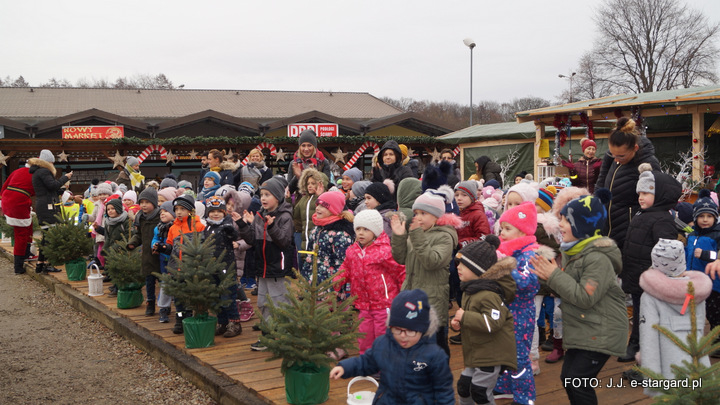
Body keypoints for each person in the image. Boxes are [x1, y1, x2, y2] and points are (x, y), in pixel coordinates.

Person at [530, 194, 629, 405]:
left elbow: (584, 297)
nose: (560, 224)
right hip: (586, 327)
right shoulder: (573, 251)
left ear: (582, 226)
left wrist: (554, 275)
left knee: (577, 380)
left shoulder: (597, 258)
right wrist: (544, 277)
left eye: (566, 220)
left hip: (602, 330)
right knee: (571, 379)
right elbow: (566, 287)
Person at [329, 289, 455, 405]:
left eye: (410, 331)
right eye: (397, 329)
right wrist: (345, 368)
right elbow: (366, 362)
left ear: (423, 330)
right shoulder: (383, 344)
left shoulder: (434, 355)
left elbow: (443, 390)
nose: (403, 336)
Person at [633, 238, 713, 393]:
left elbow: (649, 338)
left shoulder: (650, 296)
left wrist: (652, 381)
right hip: (697, 362)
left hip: (668, 366)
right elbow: (700, 328)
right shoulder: (697, 291)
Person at [619, 163, 681, 362]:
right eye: (639, 193)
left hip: (652, 281)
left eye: (646, 193)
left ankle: (644, 349)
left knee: (646, 316)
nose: (640, 197)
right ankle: (635, 343)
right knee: (638, 314)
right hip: (637, 277)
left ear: (661, 194)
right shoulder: (641, 214)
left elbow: (667, 254)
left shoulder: (662, 220)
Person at [390, 189, 460, 356]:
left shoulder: (444, 236)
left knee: (435, 345)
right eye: (416, 213)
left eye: (423, 213)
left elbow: (432, 261)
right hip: (411, 297)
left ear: (436, 216)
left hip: (432, 301)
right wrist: (399, 236)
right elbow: (401, 258)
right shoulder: (416, 234)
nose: (418, 217)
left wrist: (415, 235)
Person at [452, 236, 518, 405]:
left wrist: (465, 317)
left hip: (491, 354)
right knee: (464, 387)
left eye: (463, 265)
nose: (458, 268)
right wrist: (460, 323)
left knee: (480, 391)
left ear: (478, 269)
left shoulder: (489, 295)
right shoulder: (470, 290)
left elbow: (493, 322)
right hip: (477, 352)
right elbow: (473, 319)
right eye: (458, 263)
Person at [235, 177, 294, 351]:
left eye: (268, 194)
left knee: (280, 303)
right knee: (263, 302)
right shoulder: (260, 214)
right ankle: (268, 335)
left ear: (277, 196)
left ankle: (286, 336)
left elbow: (283, 241)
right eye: (261, 194)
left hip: (278, 269)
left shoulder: (285, 216)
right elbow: (253, 239)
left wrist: (272, 226)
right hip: (263, 268)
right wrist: (242, 224)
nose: (263, 198)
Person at [335, 209, 405, 354]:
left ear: (376, 231)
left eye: (366, 229)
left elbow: (399, 271)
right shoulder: (353, 251)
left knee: (382, 334)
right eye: (358, 229)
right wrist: (337, 280)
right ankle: (367, 363)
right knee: (364, 334)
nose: (361, 233)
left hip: (383, 302)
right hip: (363, 303)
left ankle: (383, 365)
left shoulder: (385, 251)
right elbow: (346, 268)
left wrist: (405, 293)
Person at [493, 202, 541, 405]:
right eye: (501, 228)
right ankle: (505, 387)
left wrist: (505, 265)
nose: (502, 233)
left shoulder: (531, 254)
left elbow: (528, 284)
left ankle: (524, 397)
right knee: (504, 350)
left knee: (519, 357)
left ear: (522, 231)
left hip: (521, 314)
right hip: (507, 310)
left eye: (507, 229)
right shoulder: (510, 251)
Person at [595, 117, 661, 251]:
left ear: (635, 148)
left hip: (630, 228)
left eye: (621, 156)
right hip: (606, 223)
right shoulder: (612, 157)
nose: (617, 159)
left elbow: (656, 197)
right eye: (613, 155)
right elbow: (601, 180)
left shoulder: (648, 163)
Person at [450, 180, 491, 345]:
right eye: (457, 195)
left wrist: (462, 243)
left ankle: (473, 330)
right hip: (460, 261)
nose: (459, 198)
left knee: (471, 299)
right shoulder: (459, 214)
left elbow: (484, 237)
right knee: (462, 297)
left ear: (473, 197)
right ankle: (465, 329)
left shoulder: (477, 214)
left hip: (472, 262)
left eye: (464, 195)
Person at [165, 194, 206, 334]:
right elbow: (170, 246)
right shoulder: (173, 228)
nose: (179, 212)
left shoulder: (199, 226)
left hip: (192, 268)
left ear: (190, 210)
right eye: (176, 209)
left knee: (190, 295)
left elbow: (204, 247)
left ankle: (191, 316)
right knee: (178, 297)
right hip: (176, 268)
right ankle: (179, 318)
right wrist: (162, 248)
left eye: (182, 209)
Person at [686, 189, 720, 355]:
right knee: (696, 312)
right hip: (694, 282)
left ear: (715, 218)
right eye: (701, 216)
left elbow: (718, 256)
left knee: (715, 314)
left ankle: (717, 341)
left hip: (714, 283)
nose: (705, 220)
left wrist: (706, 255)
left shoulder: (717, 235)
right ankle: (694, 340)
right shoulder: (691, 236)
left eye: (709, 216)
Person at [203, 196, 243, 338]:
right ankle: (222, 322)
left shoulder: (226, 226)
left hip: (227, 267)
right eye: (212, 211)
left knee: (228, 297)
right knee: (216, 297)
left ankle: (235, 323)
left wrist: (230, 231)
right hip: (211, 268)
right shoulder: (207, 228)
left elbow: (235, 235)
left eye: (219, 211)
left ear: (224, 212)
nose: (215, 214)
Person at [30, 149, 72, 273]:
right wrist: (65, 177)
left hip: (43, 205)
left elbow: (50, 189)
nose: (53, 165)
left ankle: (40, 264)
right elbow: (53, 186)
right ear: (47, 162)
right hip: (47, 206)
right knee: (49, 236)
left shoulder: (38, 172)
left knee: (46, 236)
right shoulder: (44, 171)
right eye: (52, 163)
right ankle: (46, 264)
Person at [300, 191, 354, 285]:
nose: (317, 208)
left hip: (330, 286)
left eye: (322, 206)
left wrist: (336, 285)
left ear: (333, 209)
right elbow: (309, 257)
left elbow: (342, 264)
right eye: (317, 205)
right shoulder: (316, 230)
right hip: (312, 283)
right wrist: (304, 279)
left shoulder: (340, 235)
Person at [126, 187, 162, 313]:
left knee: (163, 281)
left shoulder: (160, 216)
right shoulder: (140, 217)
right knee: (149, 281)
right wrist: (132, 243)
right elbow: (139, 235)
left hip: (160, 255)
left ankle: (164, 305)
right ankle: (150, 303)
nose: (144, 205)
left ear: (154, 203)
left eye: (147, 202)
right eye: (141, 202)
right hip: (147, 255)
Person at [1, 161, 36, 274]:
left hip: (11, 200)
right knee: (21, 233)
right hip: (18, 202)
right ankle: (18, 265)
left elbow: (4, 186)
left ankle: (26, 253)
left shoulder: (17, 171)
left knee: (28, 226)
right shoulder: (36, 175)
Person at [96, 198, 132, 296]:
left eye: (112, 208)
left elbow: (128, 236)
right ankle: (115, 285)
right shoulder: (108, 222)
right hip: (111, 250)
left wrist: (119, 247)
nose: (110, 211)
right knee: (113, 269)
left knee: (120, 270)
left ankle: (119, 287)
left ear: (118, 209)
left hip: (122, 250)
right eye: (108, 209)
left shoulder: (125, 221)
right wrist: (106, 249)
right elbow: (107, 236)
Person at [292, 168, 327, 255]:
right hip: (304, 239)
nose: (310, 186)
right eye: (308, 184)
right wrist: (288, 200)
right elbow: (295, 215)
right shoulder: (304, 199)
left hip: (318, 239)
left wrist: (319, 196)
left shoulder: (324, 197)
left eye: (313, 183)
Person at [287, 129, 332, 195]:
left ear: (314, 147)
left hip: (318, 199)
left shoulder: (323, 162)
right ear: (299, 147)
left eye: (309, 145)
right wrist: (298, 177)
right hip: (300, 202)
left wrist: (314, 173)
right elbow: (289, 190)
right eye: (303, 145)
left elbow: (326, 185)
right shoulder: (294, 163)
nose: (306, 149)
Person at [151, 201, 175, 323]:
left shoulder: (175, 227)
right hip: (163, 260)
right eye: (161, 212)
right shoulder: (158, 228)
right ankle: (164, 308)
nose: (162, 214)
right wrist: (154, 245)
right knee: (165, 283)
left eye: (166, 211)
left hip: (175, 260)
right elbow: (155, 238)